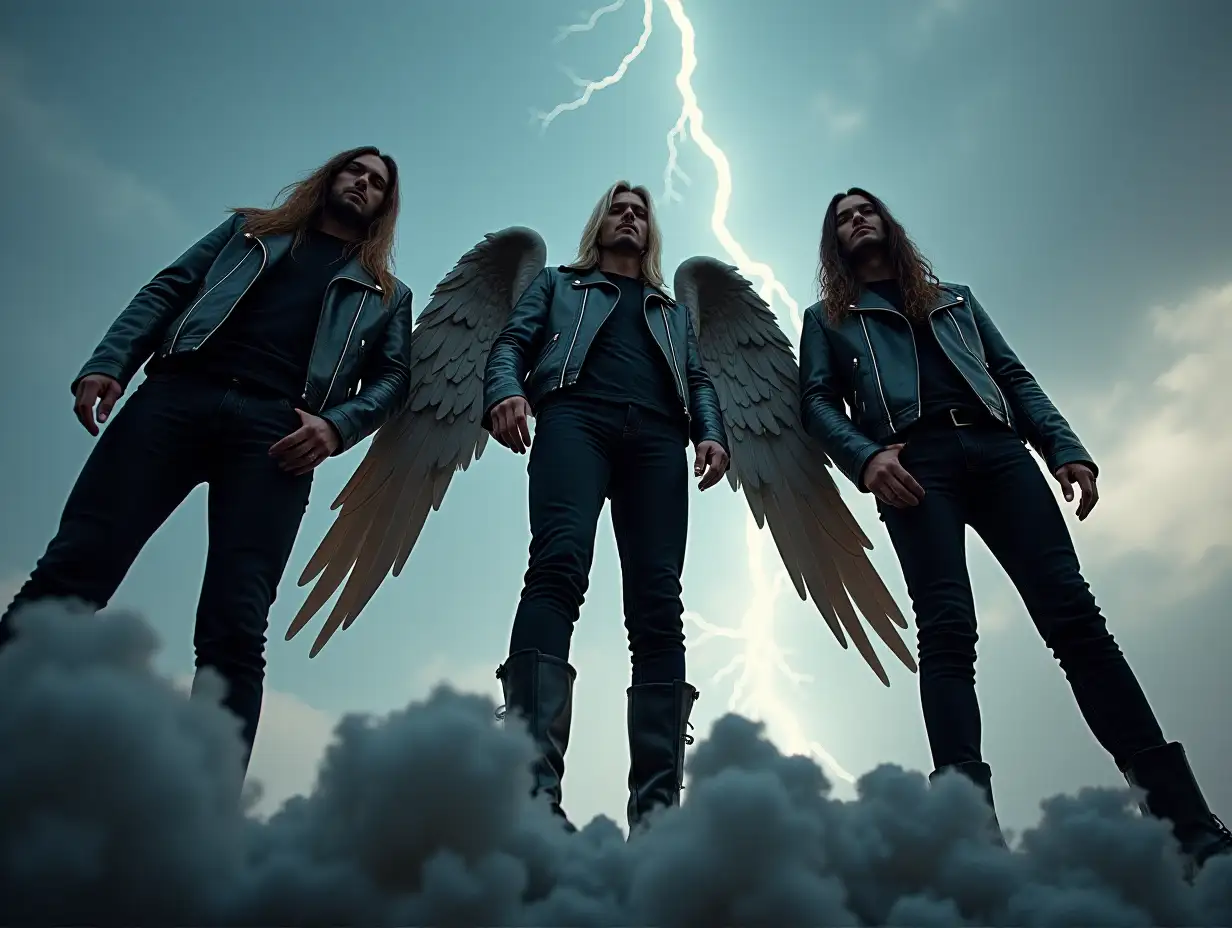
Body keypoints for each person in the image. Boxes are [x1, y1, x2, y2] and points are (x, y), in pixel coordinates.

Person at [797, 186, 1231, 871]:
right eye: (844, 219)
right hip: (914, 466)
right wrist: (866, 457)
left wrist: (1065, 447)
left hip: (1001, 455)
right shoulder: (827, 320)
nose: (857, 222)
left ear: (887, 223)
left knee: (1077, 622)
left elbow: (1012, 376)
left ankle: (1186, 826)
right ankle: (970, 840)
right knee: (946, 632)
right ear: (836, 243)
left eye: (866, 211)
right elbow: (815, 404)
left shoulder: (955, 300)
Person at [0, 146, 415, 771]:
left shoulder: (385, 294)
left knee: (236, 622)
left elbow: (392, 380)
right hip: (174, 399)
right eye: (354, 170)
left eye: (377, 182)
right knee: (74, 567)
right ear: (329, 178)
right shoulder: (247, 232)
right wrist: (110, 363)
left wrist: (336, 427)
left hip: (277, 436)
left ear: (385, 205)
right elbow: (166, 290)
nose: (362, 183)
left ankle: (206, 812)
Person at [482, 180, 730, 833]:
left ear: (650, 232)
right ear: (601, 223)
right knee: (558, 567)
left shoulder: (671, 311)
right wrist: (505, 392)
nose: (628, 218)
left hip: (656, 438)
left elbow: (699, 379)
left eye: (639, 213)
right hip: (574, 420)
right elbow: (512, 342)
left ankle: (656, 814)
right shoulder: (560, 284)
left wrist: (710, 432)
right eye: (618, 210)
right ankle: (532, 788)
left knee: (657, 603)